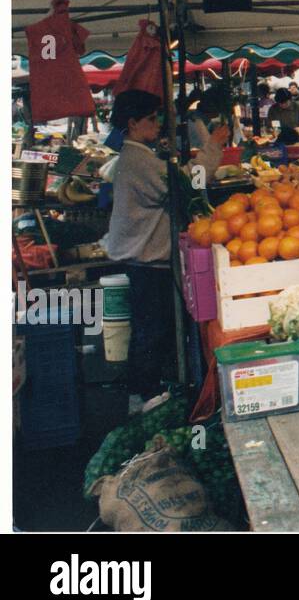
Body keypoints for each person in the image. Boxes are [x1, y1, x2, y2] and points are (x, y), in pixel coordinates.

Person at [103, 89, 228, 410]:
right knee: (152, 326)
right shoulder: (137, 160)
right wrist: (214, 145)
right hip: (145, 258)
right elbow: (189, 183)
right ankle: (145, 393)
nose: (157, 123)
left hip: (142, 255)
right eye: (151, 118)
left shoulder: (137, 155)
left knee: (149, 323)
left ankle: (142, 388)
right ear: (132, 123)